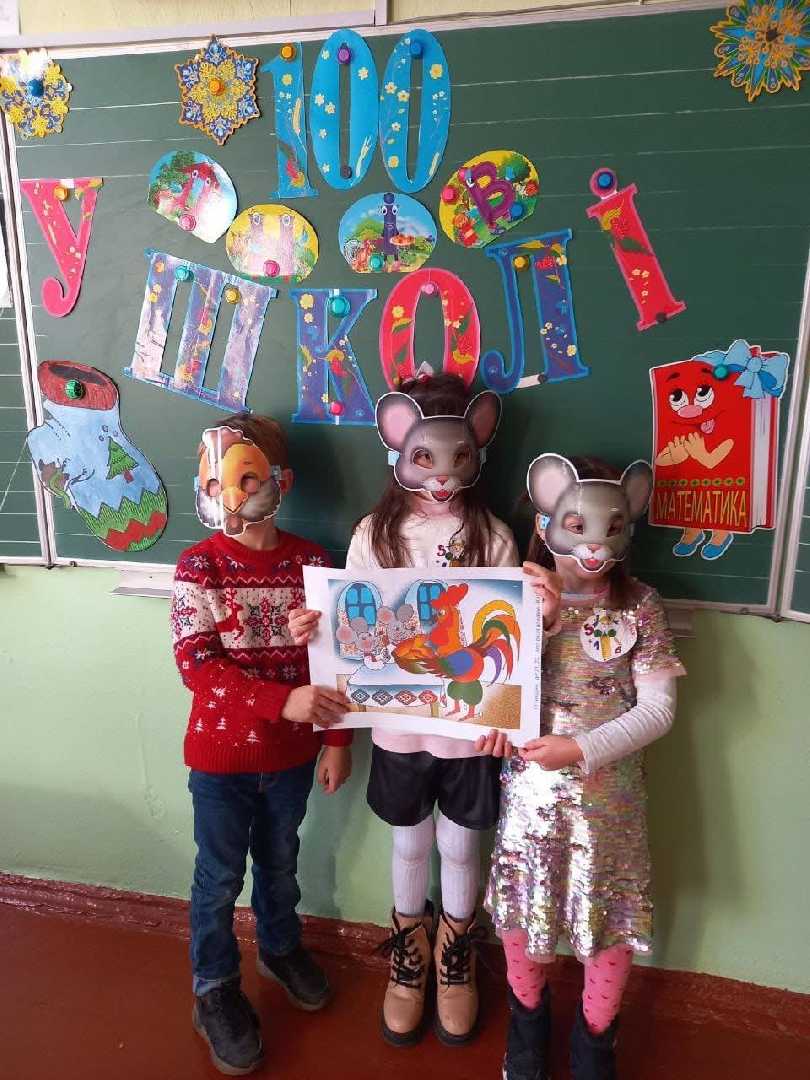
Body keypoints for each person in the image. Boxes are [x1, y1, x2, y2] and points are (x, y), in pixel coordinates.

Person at [291, 373, 560, 1049]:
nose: (441, 475)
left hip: (469, 732)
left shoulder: (492, 533)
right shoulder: (374, 533)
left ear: (479, 446)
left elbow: (518, 635)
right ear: (396, 448)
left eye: (458, 456)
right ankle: (409, 957)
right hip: (398, 728)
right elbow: (346, 625)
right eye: (424, 457)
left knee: (460, 844)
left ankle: (455, 957)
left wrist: (507, 716)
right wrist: (313, 629)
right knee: (409, 841)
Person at [484, 454, 685, 1080]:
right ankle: (527, 1028)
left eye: (611, 526)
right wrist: (539, 626)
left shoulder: (640, 605)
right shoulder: (510, 597)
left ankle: (596, 1043)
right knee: (523, 915)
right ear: (546, 522)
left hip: (609, 807)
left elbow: (658, 710)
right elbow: (488, 689)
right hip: (531, 802)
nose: (594, 544)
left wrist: (581, 748)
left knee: (611, 924)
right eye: (576, 524)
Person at [171, 414, 352, 1076]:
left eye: (246, 479)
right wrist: (280, 700)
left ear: (282, 481)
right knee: (219, 877)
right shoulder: (199, 566)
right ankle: (214, 986)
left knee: (280, 864)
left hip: (291, 759)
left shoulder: (313, 564)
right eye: (213, 482)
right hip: (221, 762)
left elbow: (339, 662)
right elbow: (197, 665)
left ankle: (279, 946)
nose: (228, 495)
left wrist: (336, 740)